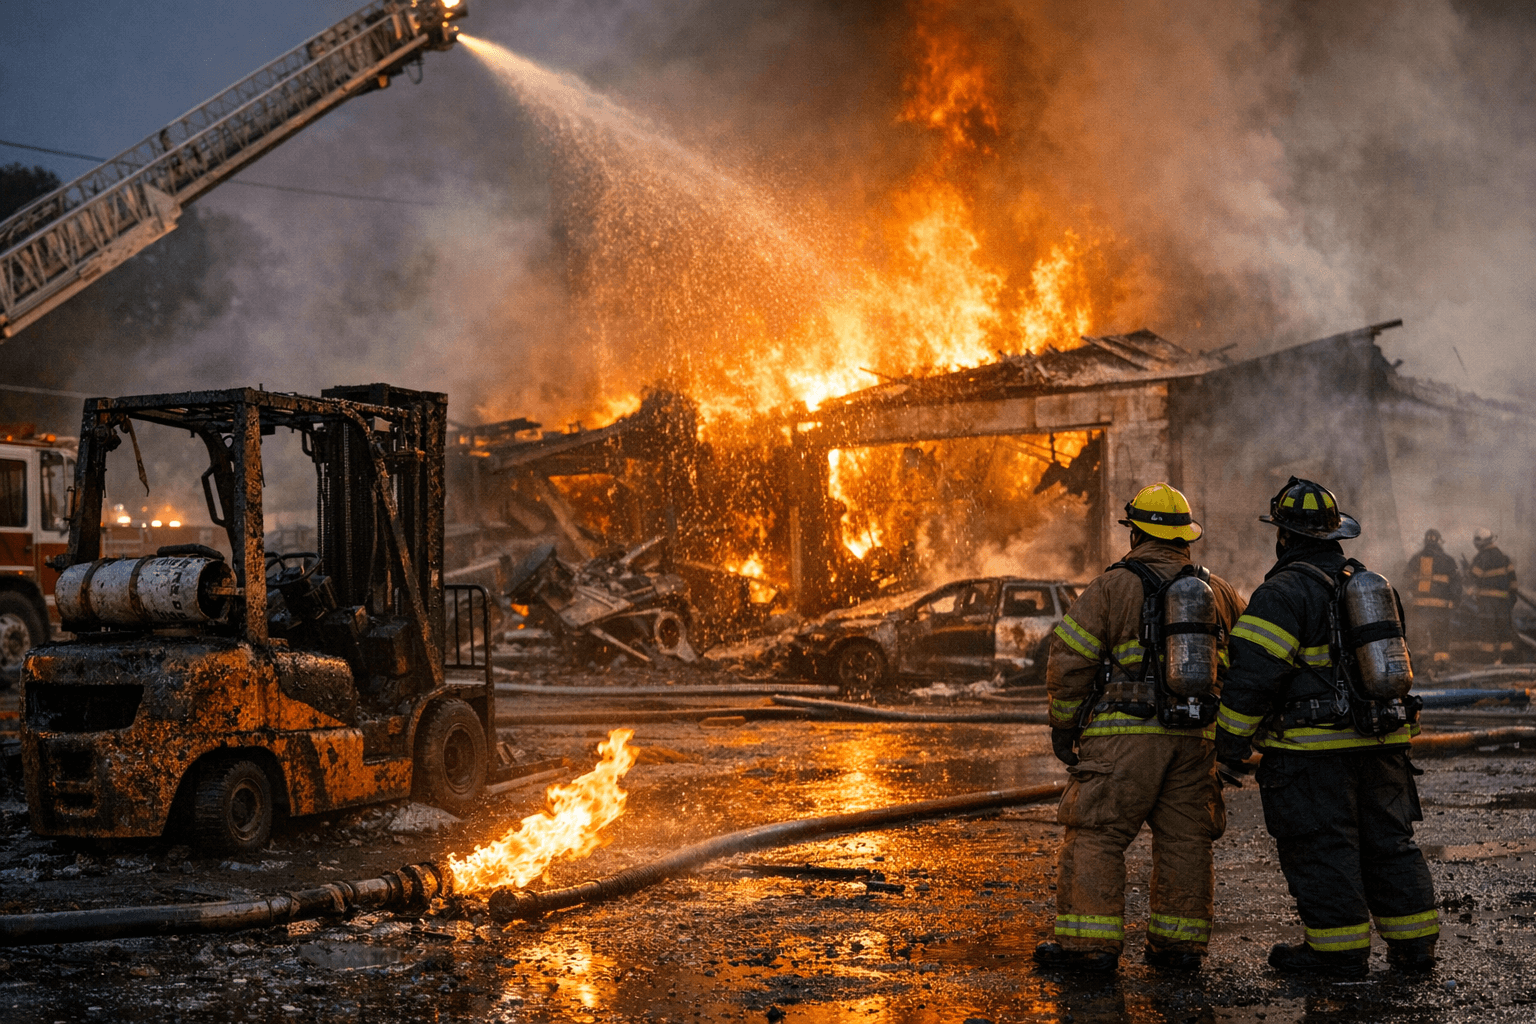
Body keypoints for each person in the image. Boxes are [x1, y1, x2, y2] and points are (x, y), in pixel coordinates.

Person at [1215, 477, 1438, 978]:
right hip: (1383, 743)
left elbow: (1252, 680)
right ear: (1336, 534)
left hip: (1311, 756)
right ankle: (1415, 948)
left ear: (1284, 536)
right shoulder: (1371, 585)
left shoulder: (1280, 594)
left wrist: (1228, 746)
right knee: (1389, 844)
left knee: (1323, 848)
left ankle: (1337, 954)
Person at [1035, 482, 1243, 973]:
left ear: (1136, 535)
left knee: (1097, 833)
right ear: (1185, 538)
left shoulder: (1112, 587)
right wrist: (1233, 735)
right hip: (1196, 738)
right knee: (1186, 840)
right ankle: (1179, 948)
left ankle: (1088, 947)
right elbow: (1244, 667)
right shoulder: (1220, 592)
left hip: (1123, 737)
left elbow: (1070, 662)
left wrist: (1064, 728)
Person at [1403, 529, 1459, 667]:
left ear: (1425, 541)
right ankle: (1441, 663)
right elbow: (1456, 584)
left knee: (1420, 634)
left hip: (1420, 607)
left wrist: (1409, 597)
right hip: (1441, 607)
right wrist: (1456, 601)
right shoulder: (1448, 560)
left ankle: (1421, 663)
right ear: (1439, 541)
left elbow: (1406, 580)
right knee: (1441, 635)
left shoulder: (1415, 559)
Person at [1467, 529, 1516, 663]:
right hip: (1504, 603)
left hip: (1487, 603)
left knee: (1488, 632)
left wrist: (1467, 570)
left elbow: (1473, 578)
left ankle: (1488, 660)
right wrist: (1511, 601)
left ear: (1481, 543)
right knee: (1504, 632)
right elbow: (1513, 582)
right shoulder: (1504, 558)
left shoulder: (1481, 558)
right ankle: (1508, 660)